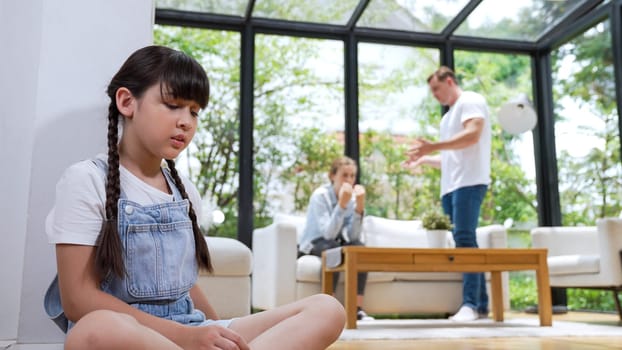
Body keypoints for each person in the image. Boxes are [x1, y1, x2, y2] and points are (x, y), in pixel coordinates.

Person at [43, 45, 345, 349]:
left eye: (194, 111)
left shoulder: (183, 190)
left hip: (189, 330)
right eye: (173, 105)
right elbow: (78, 300)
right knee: (96, 328)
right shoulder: (86, 180)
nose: (186, 122)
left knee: (326, 308)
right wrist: (186, 338)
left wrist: (220, 337)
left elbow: (185, 286)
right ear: (126, 102)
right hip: (137, 336)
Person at [403, 66, 491, 322]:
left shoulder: (471, 100)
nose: (434, 95)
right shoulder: (447, 118)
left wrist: (433, 146)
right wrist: (425, 160)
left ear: (449, 81)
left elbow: (473, 135)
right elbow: (450, 159)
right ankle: (481, 306)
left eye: (436, 89)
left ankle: (471, 304)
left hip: (470, 183)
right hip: (451, 187)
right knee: (464, 241)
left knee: (464, 239)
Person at [298, 156, 373, 321]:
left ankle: (357, 309)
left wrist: (359, 208)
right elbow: (327, 234)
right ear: (332, 176)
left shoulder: (352, 199)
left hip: (334, 242)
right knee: (334, 250)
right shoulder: (320, 196)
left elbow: (353, 236)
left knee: (358, 249)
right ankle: (327, 309)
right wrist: (342, 205)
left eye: (352, 176)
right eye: (344, 175)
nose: (349, 180)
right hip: (314, 243)